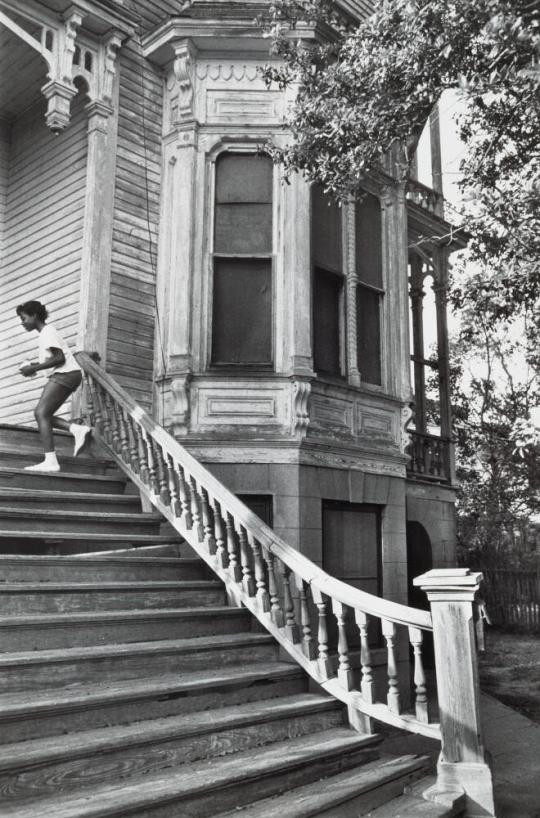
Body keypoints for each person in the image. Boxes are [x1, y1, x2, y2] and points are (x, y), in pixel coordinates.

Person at [16, 300, 92, 472]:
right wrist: (33, 365)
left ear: (34, 315)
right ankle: (76, 429)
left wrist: (33, 368)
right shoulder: (45, 333)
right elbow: (53, 358)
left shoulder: (47, 332)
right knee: (44, 415)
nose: (22, 323)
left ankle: (51, 461)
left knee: (40, 413)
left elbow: (60, 359)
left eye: (23, 318)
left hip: (66, 374)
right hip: (68, 375)